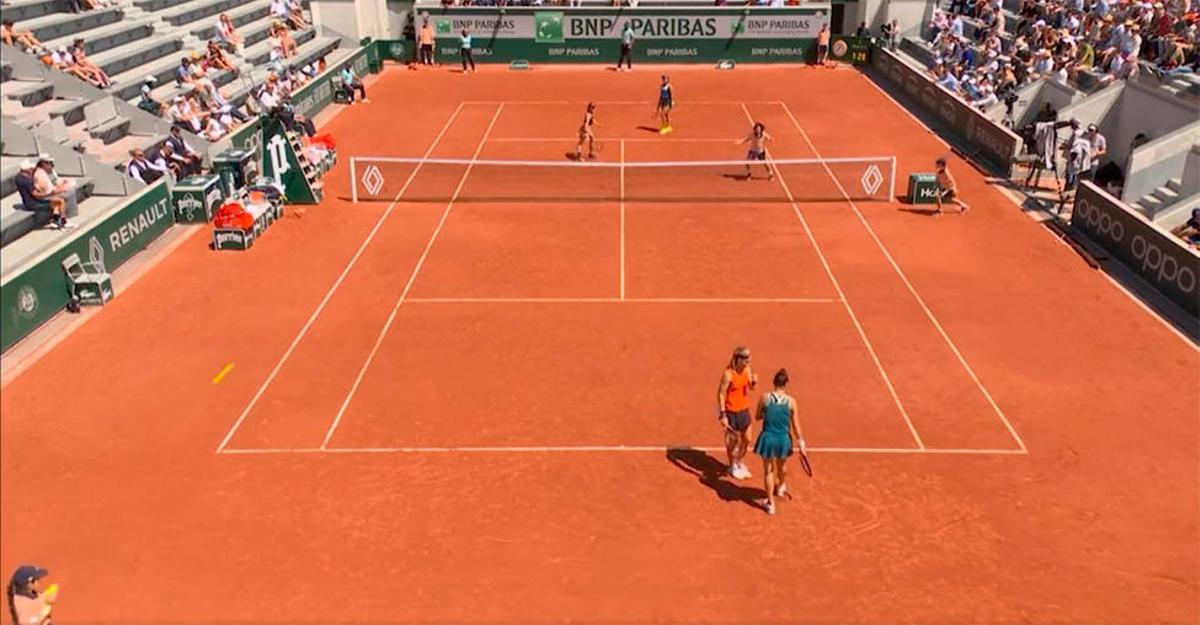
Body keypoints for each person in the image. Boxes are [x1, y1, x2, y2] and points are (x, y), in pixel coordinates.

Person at [753, 368, 804, 516]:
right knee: (782, 467)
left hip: (768, 439)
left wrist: (769, 414)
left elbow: (757, 416)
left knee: (768, 471)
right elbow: (795, 424)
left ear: (774, 382)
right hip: (783, 439)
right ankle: (781, 486)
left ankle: (770, 503)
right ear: (786, 384)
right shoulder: (791, 402)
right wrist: (801, 442)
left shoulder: (764, 398)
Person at [717, 346, 758, 480]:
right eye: (746, 358)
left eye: (749, 357)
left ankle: (739, 461)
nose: (749, 360)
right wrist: (723, 414)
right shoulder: (728, 374)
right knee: (732, 442)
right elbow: (721, 394)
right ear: (738, 359)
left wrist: (754, 383)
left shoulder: (747, 370)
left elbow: (750, 387)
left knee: (747, 439)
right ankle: (733, 465)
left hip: (743, 409)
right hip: (731, 411)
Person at [14, 160, 68, 230]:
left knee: (56, 201)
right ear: (27, 170)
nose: (32, 169)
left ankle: (55, 220)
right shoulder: (26, 181)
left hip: (29, 202)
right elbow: (36, 195)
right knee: (60, 201)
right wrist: (50, 193)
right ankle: (62, 221)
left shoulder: (18, 178)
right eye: (31, 168)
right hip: (34, 204)